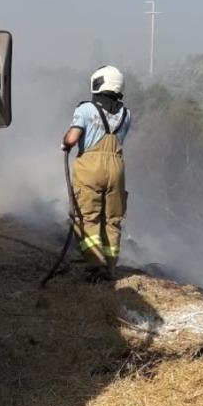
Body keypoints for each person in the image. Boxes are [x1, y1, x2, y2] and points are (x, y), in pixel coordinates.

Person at [61, 65, 131, 281]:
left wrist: (65, 143)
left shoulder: (85, 110)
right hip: (116, 168)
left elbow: (72, 138)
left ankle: (95, 266)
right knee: (112, 220)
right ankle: (110, 268)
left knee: (87, 218)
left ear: (98, 83)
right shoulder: (126, 114)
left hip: (90, 167)